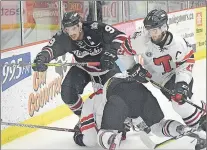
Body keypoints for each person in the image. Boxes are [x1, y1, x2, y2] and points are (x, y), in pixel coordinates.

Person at [118, 9, 206, 136]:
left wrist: (181, 84)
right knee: (181, 103)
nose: (152, 34)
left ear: (164, 27)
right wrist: (132, 68)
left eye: (155, 30)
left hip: (177, 75)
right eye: (148, 30)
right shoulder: (140, 40)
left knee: (179, 104)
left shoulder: (178, 43)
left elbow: (187, 61)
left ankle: (198, 127)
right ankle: (202, 111)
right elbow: (122, 51)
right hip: (161, 81)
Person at [32, 11, 128, 116]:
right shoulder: (63, 36)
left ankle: (126, 117)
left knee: (119, 94)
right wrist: (42, 58)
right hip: (84, 67)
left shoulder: (95, 29)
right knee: (67, 93)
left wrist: (111, 53)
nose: (71, 33)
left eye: (74, 28)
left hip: (106, 67)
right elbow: (50, 49)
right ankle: (85, 118)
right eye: (67, 29)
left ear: (80, 25)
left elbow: (121, 37)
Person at [72, 76, 206, 150]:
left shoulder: (91, 102)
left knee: (106, 134)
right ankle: (182, 128)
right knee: (158, 127)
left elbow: (89, 140)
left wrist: (78, 136)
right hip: (138, 89)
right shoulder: (99, 100)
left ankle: (112, 141)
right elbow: (141, 124)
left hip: (117, 93)